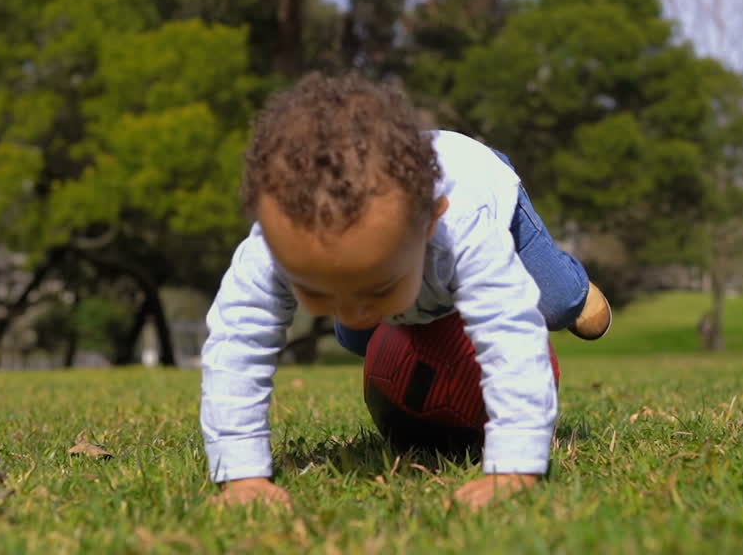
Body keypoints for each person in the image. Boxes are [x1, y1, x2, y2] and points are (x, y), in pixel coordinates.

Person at [200, 73, 612, 511]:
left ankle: (578, 290)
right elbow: (236, 344)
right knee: (354, 338)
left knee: (554, 303)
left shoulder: (467, 229)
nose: (354, 312)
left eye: (376, 287)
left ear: (431, 222)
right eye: (319, 291)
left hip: (489, 185)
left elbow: (510, 335)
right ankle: (414, 295)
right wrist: (241, 474)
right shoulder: (275, 243)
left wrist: (515, 466)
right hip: (422, 262)